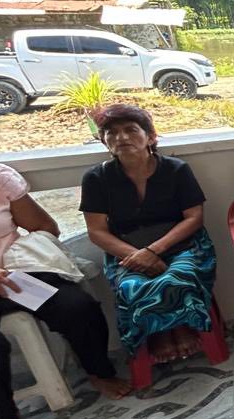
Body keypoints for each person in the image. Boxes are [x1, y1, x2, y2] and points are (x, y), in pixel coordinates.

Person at [0, 134, 128, 419]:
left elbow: (45, 227)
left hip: (13, 274)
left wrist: (6, 267)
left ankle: (99, 372)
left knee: (77, 307)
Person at [81, 104, 218, 364]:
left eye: (131, 130)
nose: (121, 137)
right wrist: (137, 256)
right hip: (126, 250)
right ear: (104, 141)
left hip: (182, 244)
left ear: (151, 137)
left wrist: (153, 251)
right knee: (132, 286)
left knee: (178, 277)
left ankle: (180, 328)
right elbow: (97, 231)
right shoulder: (96, 178)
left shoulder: (176, 169)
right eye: (111, 133)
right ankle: (159, 333)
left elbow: (193, 218)